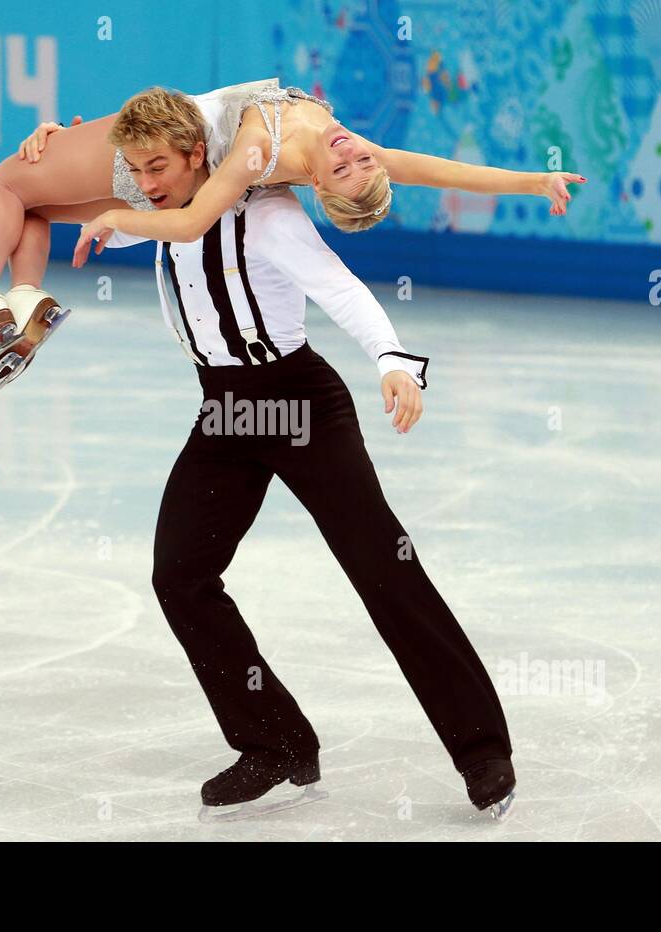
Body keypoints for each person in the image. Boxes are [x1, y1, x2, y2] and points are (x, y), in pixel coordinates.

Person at [55, 89, 516, 820]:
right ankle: (276, 743)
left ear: (198, 157)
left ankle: (483, 750)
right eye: (137, 173)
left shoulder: (268, 216)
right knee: (180, 575)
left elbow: (340, 286)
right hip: (229, 409)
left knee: (382, 566)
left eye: (156, 170)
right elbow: (72, 204)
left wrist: (396, 360)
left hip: (300, 404)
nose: (143, 185)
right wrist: (52, 141)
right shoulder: (161, 207)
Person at [0, 78, 585, 395]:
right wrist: (535, 181)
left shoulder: (261, 151)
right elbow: (440, 170)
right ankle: (26, 298)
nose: (354, 155)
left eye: (345, 170)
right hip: (165, 152)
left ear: (320, 189)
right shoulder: (347, 145)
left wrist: (119, 218)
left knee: (7, 183)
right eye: (362, 163)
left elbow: (188, 222)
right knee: (34, 209)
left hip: (159, 144)